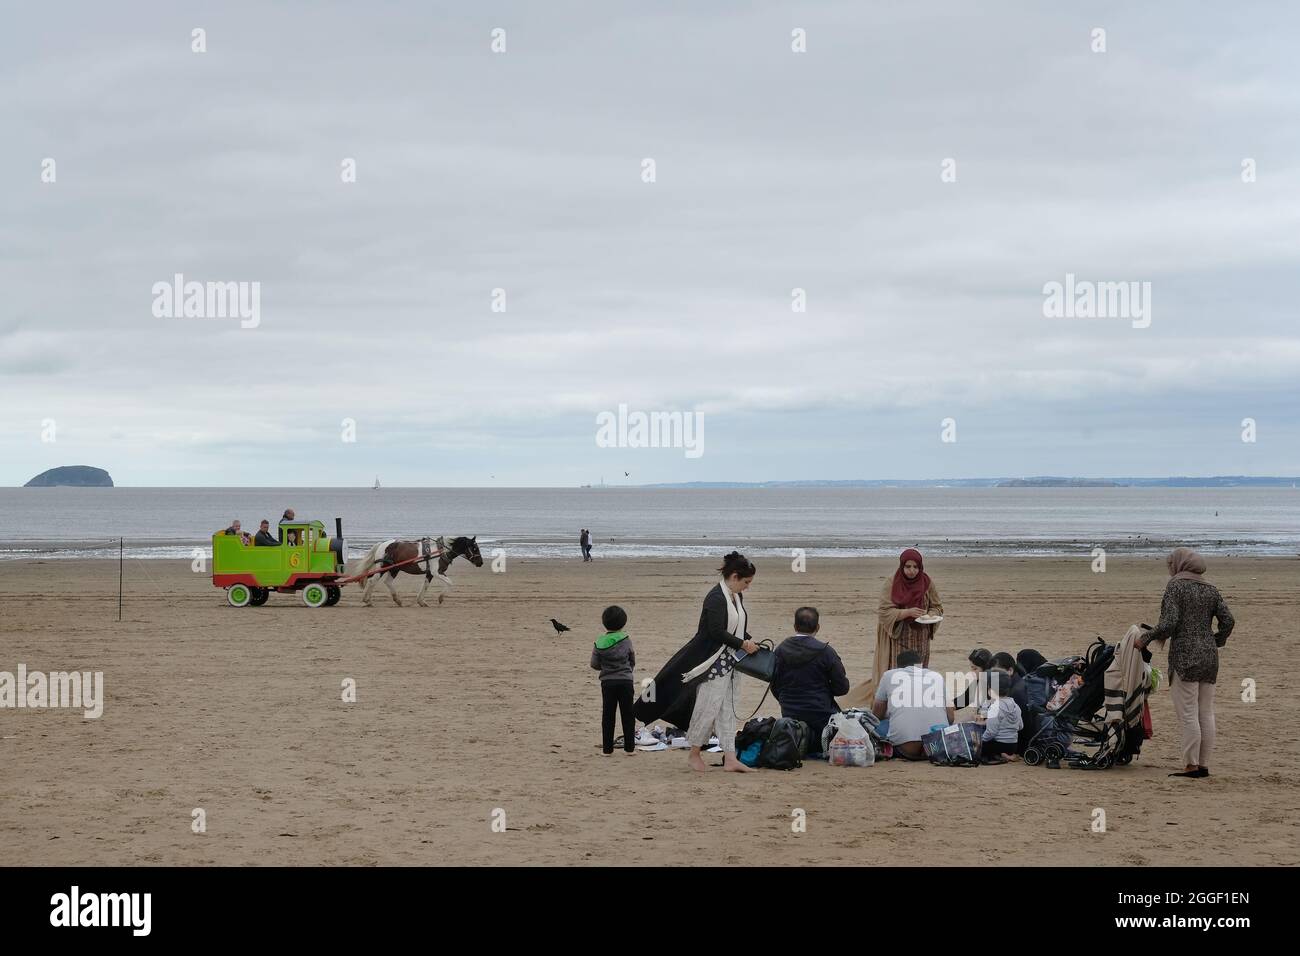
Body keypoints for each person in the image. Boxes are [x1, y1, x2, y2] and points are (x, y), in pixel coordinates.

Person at [1136, 548, 1234, 779]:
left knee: (1188, 713)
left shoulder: (1176, 587)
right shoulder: (1211, 589)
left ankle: (1190, 765)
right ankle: (1203, 764)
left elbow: (1169, 622)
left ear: (1179, 565)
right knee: (1206, 712)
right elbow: (1228, 621)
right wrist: (1215, 640)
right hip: (1209, 658)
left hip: (1184, 658)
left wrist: (1145, 639)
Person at [680, 552, 761, 773]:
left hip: (731, 662)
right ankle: (694, 753)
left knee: (729, 708)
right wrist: (743, 644)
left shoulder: (735, 596)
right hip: (713, 663)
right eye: (746, 582)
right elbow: (715, 632)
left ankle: (731, 757)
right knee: (708, 705)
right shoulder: (716, 597)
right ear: (734, 576)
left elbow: (737, 627)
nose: (747, 587)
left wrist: (748, 640)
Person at [771, 607, 850, 754]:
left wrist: (786, 699)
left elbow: (774, 685)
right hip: (821, 713)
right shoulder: (826, 652)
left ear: (795, 627)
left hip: (790, 711)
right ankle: (811, 739)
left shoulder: (780, 650)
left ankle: (801, 735)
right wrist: (825, 691)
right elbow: (842, 687)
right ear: (817, 627)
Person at [871, 549, 944, 690]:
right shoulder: (892, 583)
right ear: (902, 566)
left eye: (915, 567)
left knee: (919, 671)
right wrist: (907, 613)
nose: (912, 571)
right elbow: (884, 611)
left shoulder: (927, 582)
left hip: (921, 637)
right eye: (908, 567)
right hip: (899, 636)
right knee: (899, 672)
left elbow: (937, 606)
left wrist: (929, 615)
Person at [872, 649, 954, 759]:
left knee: (877, 726)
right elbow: (951, 717)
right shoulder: (937, 676)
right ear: (921, 664)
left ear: (898, 666)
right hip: (937, 746)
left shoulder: (889, 675)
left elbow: (876, 715)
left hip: (905, 748)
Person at [590, 606, 636, 756]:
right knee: (628, 714)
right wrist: (627, 670)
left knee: (608, 715)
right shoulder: (626, 640)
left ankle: (607, 750)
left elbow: (594, 664)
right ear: (623, 623)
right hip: (625, 682)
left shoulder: (599, 642)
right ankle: (629, 748)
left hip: (607, 682)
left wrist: (606, 669)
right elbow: (632, 659)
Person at [979, 670, 1023, 763]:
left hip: (998, 744)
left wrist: (980, 741)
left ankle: (999, 754)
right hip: (1013, 745)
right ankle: (1004, 754)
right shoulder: (1015, 705)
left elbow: (991, 732)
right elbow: (1020, 726)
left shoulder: (995, 707)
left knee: (980, 746)